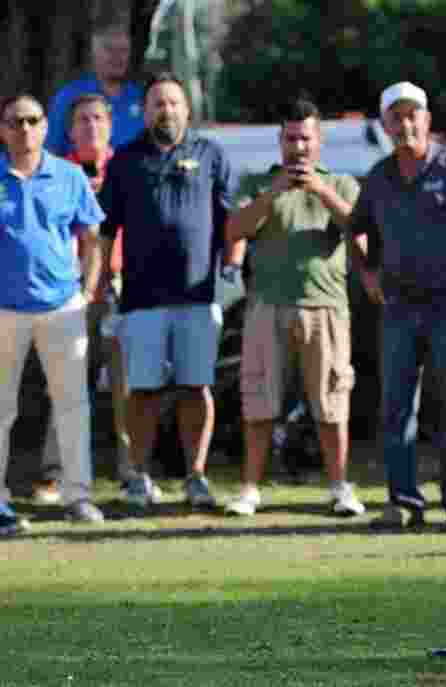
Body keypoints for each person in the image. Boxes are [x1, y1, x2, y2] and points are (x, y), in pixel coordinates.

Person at [349, 82, 446, 533]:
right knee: (395, 407)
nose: (406, 124)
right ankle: (403, 501)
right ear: (386, 125)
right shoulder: (379, 175)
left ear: (427, 119)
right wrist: (367, 276)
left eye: (414, 115)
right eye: (397, 117)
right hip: (399, 308)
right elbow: (356, 230)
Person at [97, 73, 234, 513]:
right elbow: (105, 231)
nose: (166, 111)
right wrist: (102, 280)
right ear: (146, 110)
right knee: (144, 392)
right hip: (141, 298)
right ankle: (138, 477)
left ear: (187, 110)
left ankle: (196, 476)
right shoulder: (125, 160)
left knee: (197, 388)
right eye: (158, 103)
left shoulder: (211, 154)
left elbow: (231, 220)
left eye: (173, 103)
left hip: (197, 296)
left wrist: (232, 262)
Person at [222, 98, 365, 518]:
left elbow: (362, 230)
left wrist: (318, 190)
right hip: (267, 305)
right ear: (279, 141)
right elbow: (234, 230)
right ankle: (250, 488)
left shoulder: (340, 183)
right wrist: (273, 194)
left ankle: (339, 487)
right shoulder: (258, 182)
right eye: (290, 138)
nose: (298, 147)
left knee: (332, 402)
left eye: (305, 138)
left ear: (318, 141)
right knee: (259, 400)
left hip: (326, 307)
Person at [0, 94, 107, 535]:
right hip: (4, 310)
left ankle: (78, 496)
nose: (24, 129)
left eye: (32, 121)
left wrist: (85, 292)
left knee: (72, 406)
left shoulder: (69, 176)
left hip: (63, 307)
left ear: (45, 127)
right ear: (3, 129)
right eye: (14, 122)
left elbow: (92, 238)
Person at [33, 94, 135, 506]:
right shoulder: (56, 172)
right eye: (82, 120)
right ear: (70, 129)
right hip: (71, 290)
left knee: (129, 385)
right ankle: (55, 474)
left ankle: (133, 471)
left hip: (125, 286)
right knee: (67, 382)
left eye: (98, 118)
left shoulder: (127, 168)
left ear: (110, 126)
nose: (91, 126)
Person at [45, 21, 144, 156]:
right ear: (94, 53)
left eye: (123, 50)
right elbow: (51, 150)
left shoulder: (142, 97)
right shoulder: (69, 96)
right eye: (109, 49)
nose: (117, 57)